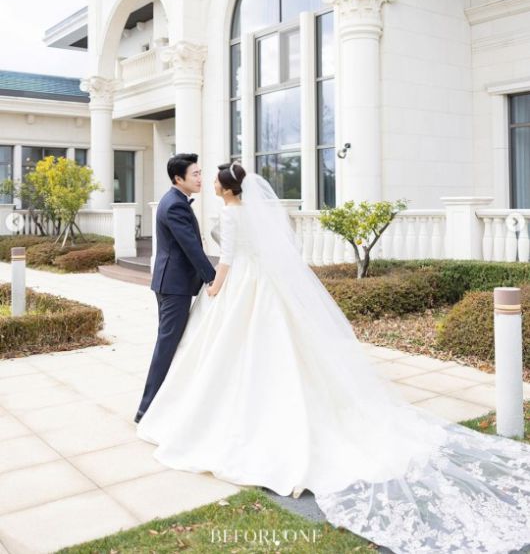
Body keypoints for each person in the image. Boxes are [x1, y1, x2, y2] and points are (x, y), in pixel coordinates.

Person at [137, 162, 530, 553]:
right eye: (199, 175)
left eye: (213, 179)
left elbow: (226, 259)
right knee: (272, 345)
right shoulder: (243, 211)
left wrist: (214, 287)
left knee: (231, 351)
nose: (207, 181)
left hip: (240, 283)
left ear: (227, 189)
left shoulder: (230, 213)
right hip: (262, 284)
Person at [134, 153, 216, 424]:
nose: (200, 178)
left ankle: (162, 403)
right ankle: (146, 409)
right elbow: (190, 246)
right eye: (195, 174)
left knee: (170, 342)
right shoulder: (175, 206)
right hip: (174, 285)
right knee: (167, 345)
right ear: (178, 179)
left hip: (172, 283)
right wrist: (212, 277)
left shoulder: (174, 201)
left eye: (200, 173)